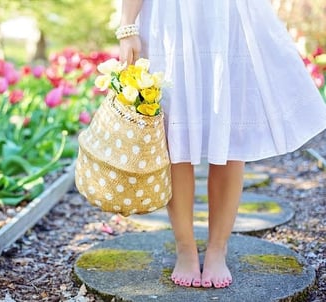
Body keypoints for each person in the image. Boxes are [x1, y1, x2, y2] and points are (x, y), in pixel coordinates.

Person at [117, 0, 326, 289]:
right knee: (173, 132)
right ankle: (185, 248)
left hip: (229, 15)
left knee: (230, 129)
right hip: (169, 17)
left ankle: (218, 248)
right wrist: (127, 26)